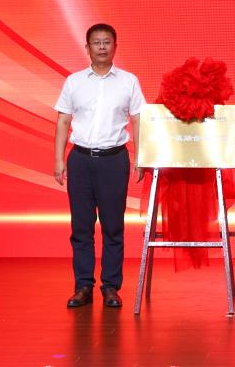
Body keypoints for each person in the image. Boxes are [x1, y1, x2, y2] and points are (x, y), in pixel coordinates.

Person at [53, 23, 146, 309]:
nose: (102, 47)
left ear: (115, 47)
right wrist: (59, 160)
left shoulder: (129, 81)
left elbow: (138, 120)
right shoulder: (74, 81)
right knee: (81, 227)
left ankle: (111, 287)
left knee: (112, 227)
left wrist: (141, 158)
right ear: (88, 48)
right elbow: (63, 121)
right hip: (80, 160)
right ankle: (83, 286)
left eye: (107, 42)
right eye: (96, 42)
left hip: (113, 160)